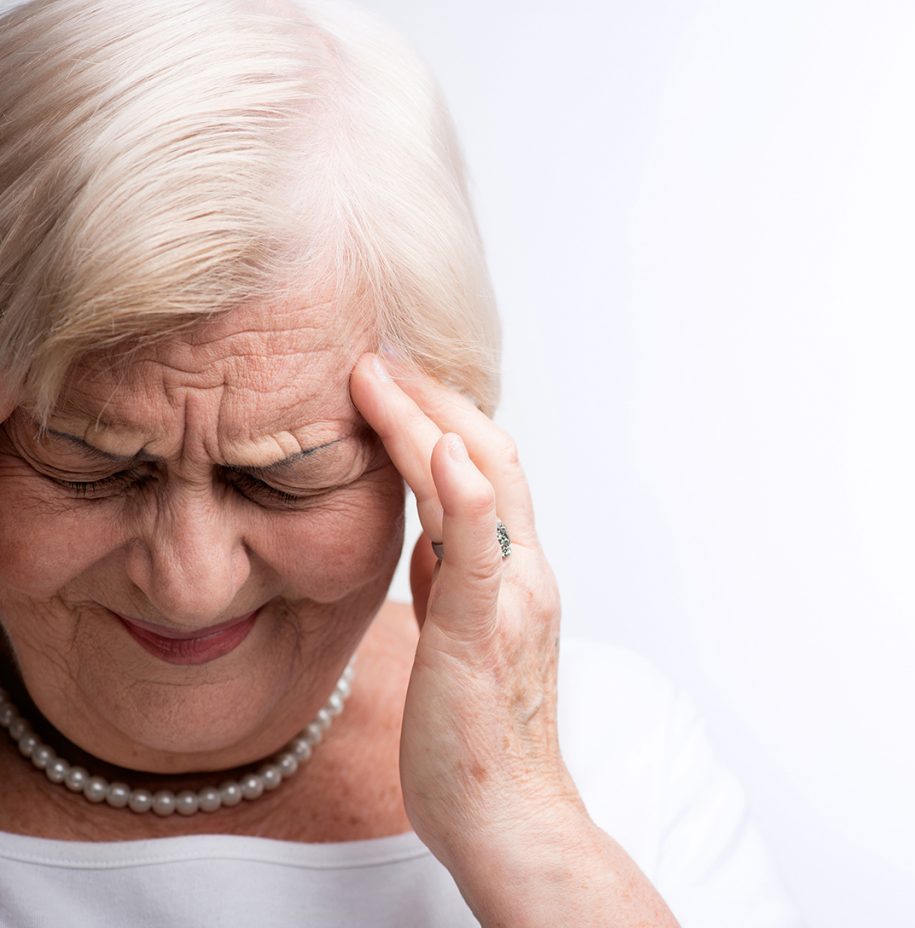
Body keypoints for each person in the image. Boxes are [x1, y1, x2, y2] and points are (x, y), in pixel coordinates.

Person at [0, 0, 801, 924]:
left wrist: (521, 820)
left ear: (440, 442)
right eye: (90, 467)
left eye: (281, 477)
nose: (189, 584)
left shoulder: (617, 756)